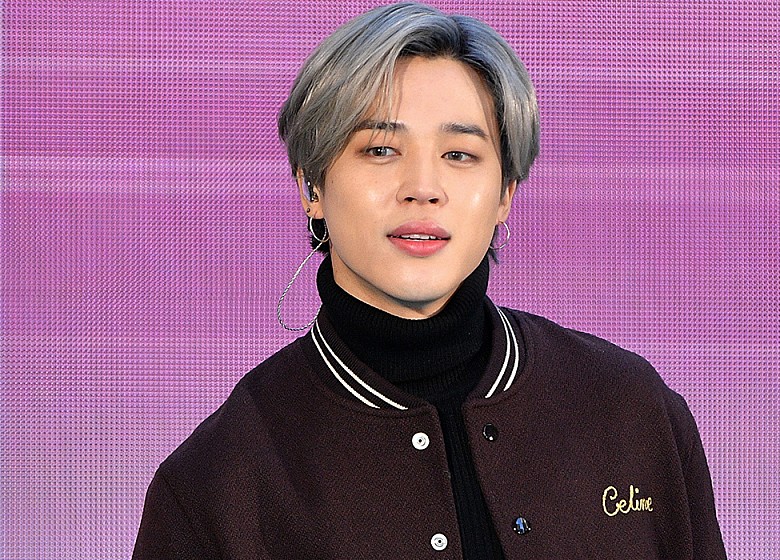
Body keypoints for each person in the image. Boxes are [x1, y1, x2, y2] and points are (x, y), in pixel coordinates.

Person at [132, 3, 727, 558]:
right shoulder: (217, 482)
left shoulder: (632, 410)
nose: (423, 188)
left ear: (506, 193)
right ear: (312, 185)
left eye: (460, 154)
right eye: (380, 149)